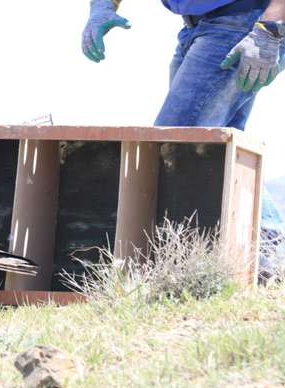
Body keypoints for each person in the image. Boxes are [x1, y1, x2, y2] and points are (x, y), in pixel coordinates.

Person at [81, 0, 285, 275]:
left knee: (176, 145)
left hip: (245, 23)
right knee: (216, 154)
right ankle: (269, 255)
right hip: (200, 27)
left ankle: (269, 255)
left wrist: (272, 25)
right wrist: (102, 6)